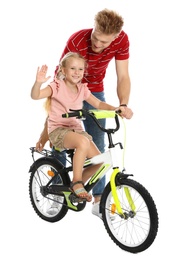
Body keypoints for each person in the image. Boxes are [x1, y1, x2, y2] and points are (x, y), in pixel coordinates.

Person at [36, 8, 133, 218]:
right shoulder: (78, 40)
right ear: (94, 27)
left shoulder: (122, 41)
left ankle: (98, 201)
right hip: (68, 87)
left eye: (104, 42)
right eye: (95, 37)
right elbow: (65, 72)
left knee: (98, 150)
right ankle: (58, 195)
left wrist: (122, 105)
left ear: (116, 37)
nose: (97, 45)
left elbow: (123, 75)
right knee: (60, 149)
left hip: (92, 91)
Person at [31, 52, 120, 202]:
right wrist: (38, 82)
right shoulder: (57, 86)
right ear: (63, 70)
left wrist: (116, 109)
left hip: (76, 130)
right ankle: (76, 181)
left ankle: (78, 188)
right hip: (58, 130)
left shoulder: (82, 89)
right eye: (72, 68)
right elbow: (36, 95)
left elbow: (98, 104)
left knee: (101, 160)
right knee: (83, 142)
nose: (77, 73)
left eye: (80, 69)